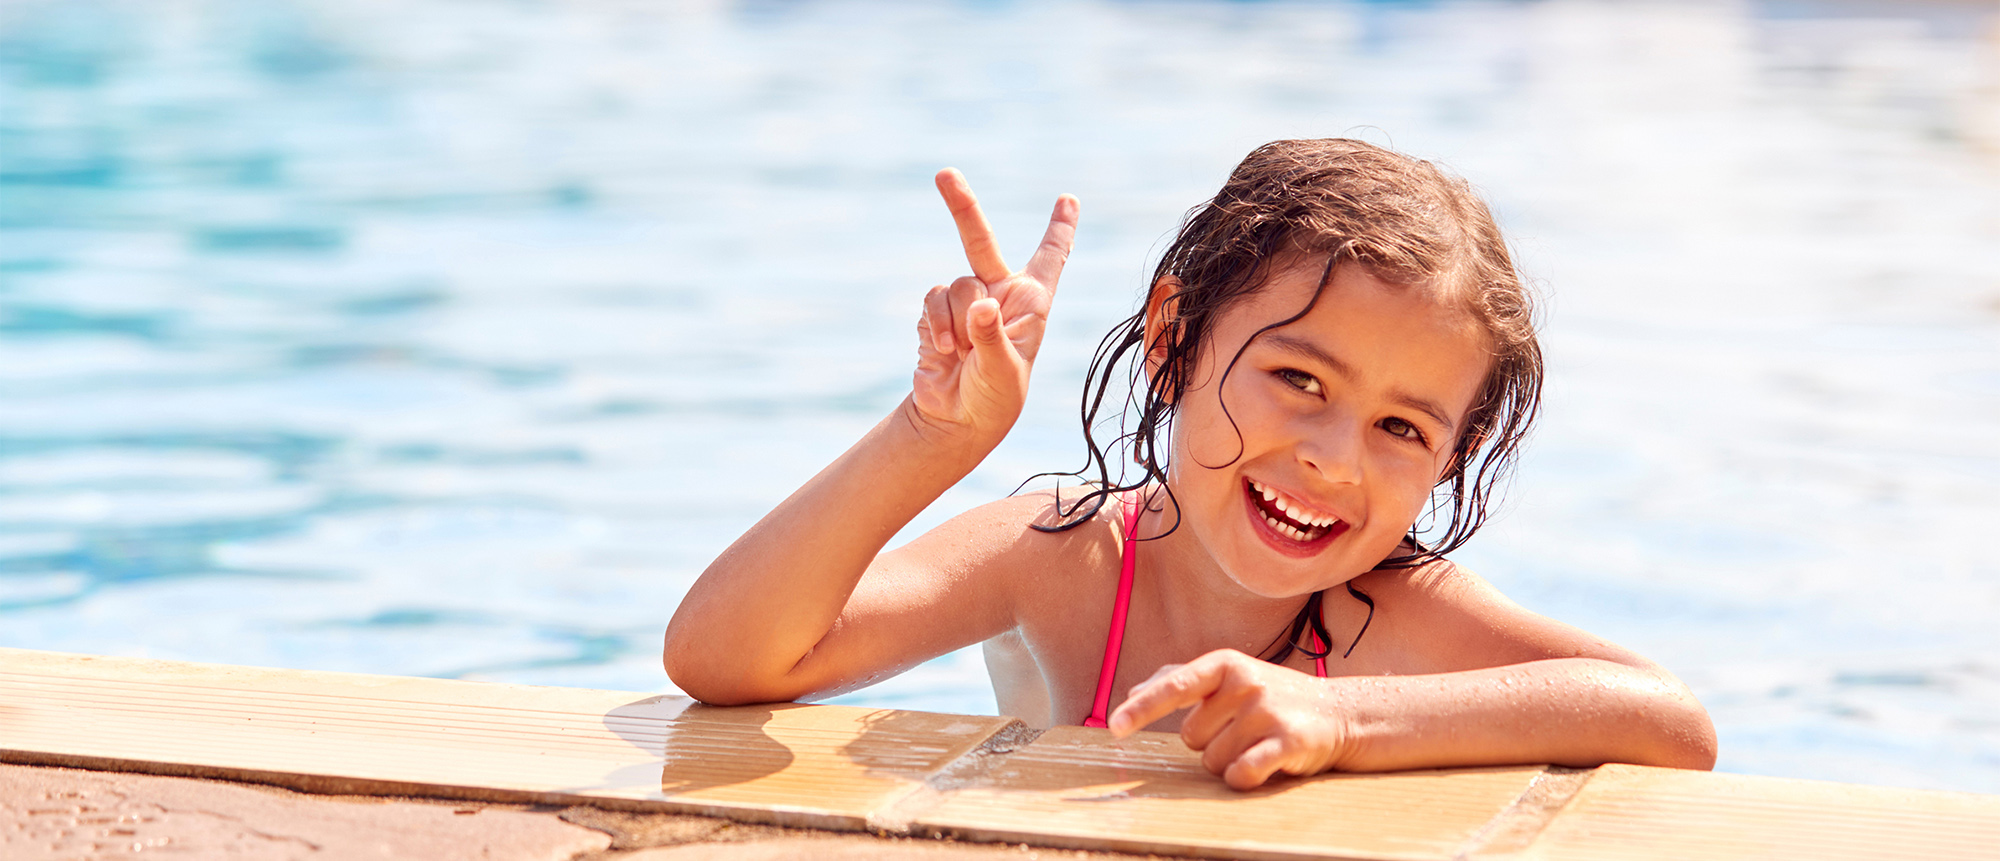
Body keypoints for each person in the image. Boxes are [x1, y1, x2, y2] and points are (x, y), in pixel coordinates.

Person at [664, 139, 1717, 790]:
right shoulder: (1064, 557)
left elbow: (1668, 719)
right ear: (1173, 339)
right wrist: (932, 438)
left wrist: (1345, 718)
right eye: (1298, 381)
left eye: (1401, 430)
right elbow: (726, 659)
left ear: (1455, 455)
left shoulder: (1387, 610)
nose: (1330, 462)